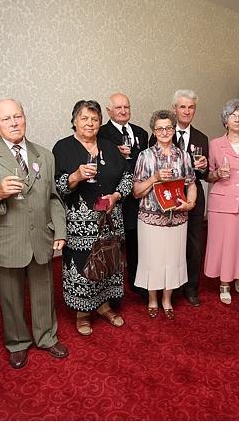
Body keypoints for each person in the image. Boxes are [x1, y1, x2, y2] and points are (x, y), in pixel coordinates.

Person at [0, 98, 67, 370]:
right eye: (6, 118)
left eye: (17, 116)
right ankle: (18, 342)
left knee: (44, 292)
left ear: (25, 118)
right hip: (4, 240)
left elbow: (53, 198)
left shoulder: (44, 155)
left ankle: (47, 336)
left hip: (41, 237)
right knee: (9, 296)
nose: (13, 123)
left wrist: (60, 229)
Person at [53, 100, 132, 336]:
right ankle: (82, 312)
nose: (90, 123)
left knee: (108, 263)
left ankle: (104, 306)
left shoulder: (109, 146)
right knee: (83, 265)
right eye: (84, 118)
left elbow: (127, 176)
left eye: (95, 119)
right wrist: (75, 176)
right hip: (80, 224)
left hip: (110, 220)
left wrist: (116, 196)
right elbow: (57, 188)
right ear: (74, 121)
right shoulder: (63, 148)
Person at [134, 110, 197, 319]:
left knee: (172, 259)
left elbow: (191, 184)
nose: (164, 132)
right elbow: (136, 191)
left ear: (174, 129)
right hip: (151, 219)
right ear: (154, 131)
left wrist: (190, 204)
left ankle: (167, 299)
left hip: (177, 219)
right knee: (152, 260)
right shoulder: (145, 156)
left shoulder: (183, 155)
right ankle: (152, 299)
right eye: (159, 128)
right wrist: (154, 178)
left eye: (168, 127)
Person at [150, 90, 208, 306]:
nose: (186, 111)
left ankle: (191, 288)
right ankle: (168, 288)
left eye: (191, 107)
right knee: (169, 246)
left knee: (195, 245)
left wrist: (204, 167)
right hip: (165, 196)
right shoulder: (161, 132)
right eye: (182, 106)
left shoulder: (202, 137)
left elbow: (204, 174)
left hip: (193, 195)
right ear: (174, 109)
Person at [204, 99, 239, 304]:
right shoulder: (215, 144)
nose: (237, 119)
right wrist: (218, 173)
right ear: (225, 120)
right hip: (221, 203)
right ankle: (224, 283)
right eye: (232, 116)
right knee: (224, 244)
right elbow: (208, 175)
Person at [98, 92, 149, 303]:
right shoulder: (101, 133)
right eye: (118, 107)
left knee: (136, 242)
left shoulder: (141, 133)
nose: (123, 111)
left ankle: (137, 283)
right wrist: (114, 154)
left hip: (137, 197)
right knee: (113, 245)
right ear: (108, 111)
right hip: (114, 196)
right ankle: (111, 291)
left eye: (126, 107)